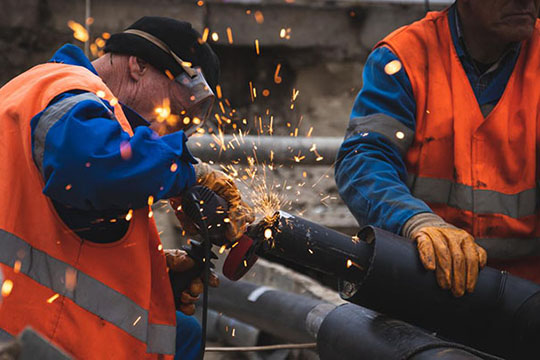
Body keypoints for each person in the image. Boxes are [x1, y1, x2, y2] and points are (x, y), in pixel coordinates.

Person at [0, 16, 253, 359]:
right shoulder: (68, 90)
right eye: (176, 110)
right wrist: (185, 175)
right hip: (23, 334)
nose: (167, 130)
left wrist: (151, 279)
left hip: (31, 321)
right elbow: (89, 168)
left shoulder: (47, 91)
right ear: (139, 64)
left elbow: (53, 228)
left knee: (184, 334)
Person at [335, 0, 540, 297]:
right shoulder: (405, 58)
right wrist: (415, 220)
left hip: (528, 299)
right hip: (425, 285)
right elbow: (364, 159)